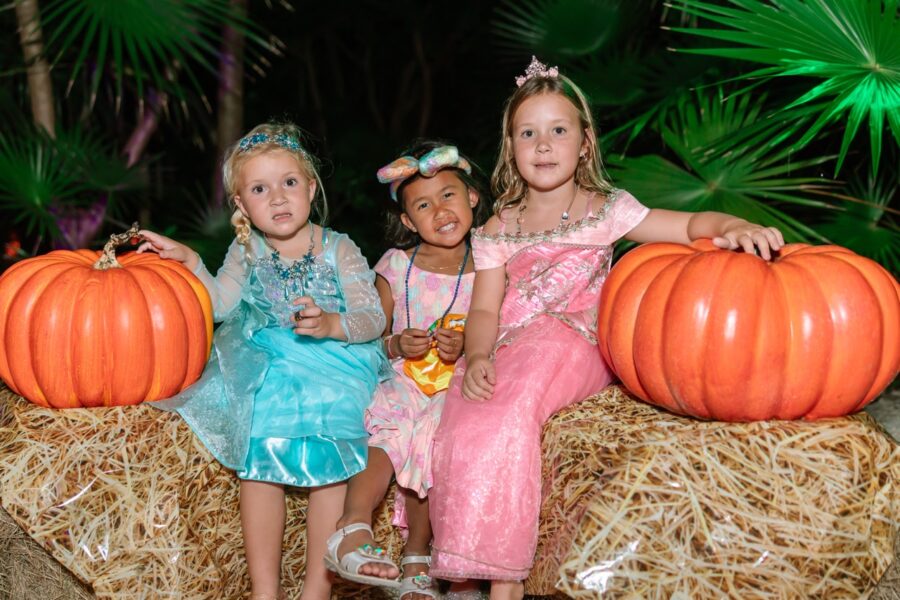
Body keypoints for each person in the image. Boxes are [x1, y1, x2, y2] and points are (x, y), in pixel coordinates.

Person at [428, 57, 786, 600]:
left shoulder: (606, 210)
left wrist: (732, 225)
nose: (543, 144)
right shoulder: (499, 225)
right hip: (509, 340)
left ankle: (505, 584)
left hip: (576, 341)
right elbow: (483, 310)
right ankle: (463, 572)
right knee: (463, 406)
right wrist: (477, 355)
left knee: (515, 399)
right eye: (529, 133)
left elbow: (688, 226)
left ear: (585, 142)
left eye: (558, 130)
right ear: (510, 147)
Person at [138, 121, 388, 600]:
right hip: (273, 359)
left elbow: (371, 317)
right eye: (259, 188)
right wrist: (192, 263)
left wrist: (334, 323)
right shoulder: (245, 248)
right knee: (258, 440)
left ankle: (318, 589)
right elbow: (221, 307)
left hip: (336, 364)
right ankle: (264, 591)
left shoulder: (340, 248)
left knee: (332, 451)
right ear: (241, 204)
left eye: (289, 183)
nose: (277, 198)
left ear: (311, 189)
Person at [325, 143, 489, 600]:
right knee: (388, 427)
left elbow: (500, 331)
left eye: (449, 196)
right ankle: (352, 525)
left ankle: (419, 557)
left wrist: (470, 348)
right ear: (407, 220)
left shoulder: (490, 267)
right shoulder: (395, 268)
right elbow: (369, 336)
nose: (440, 211)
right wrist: (397, 342)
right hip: (402, 378)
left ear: (472, 197)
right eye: (423, 204)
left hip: (453, 385)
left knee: (436, 438)